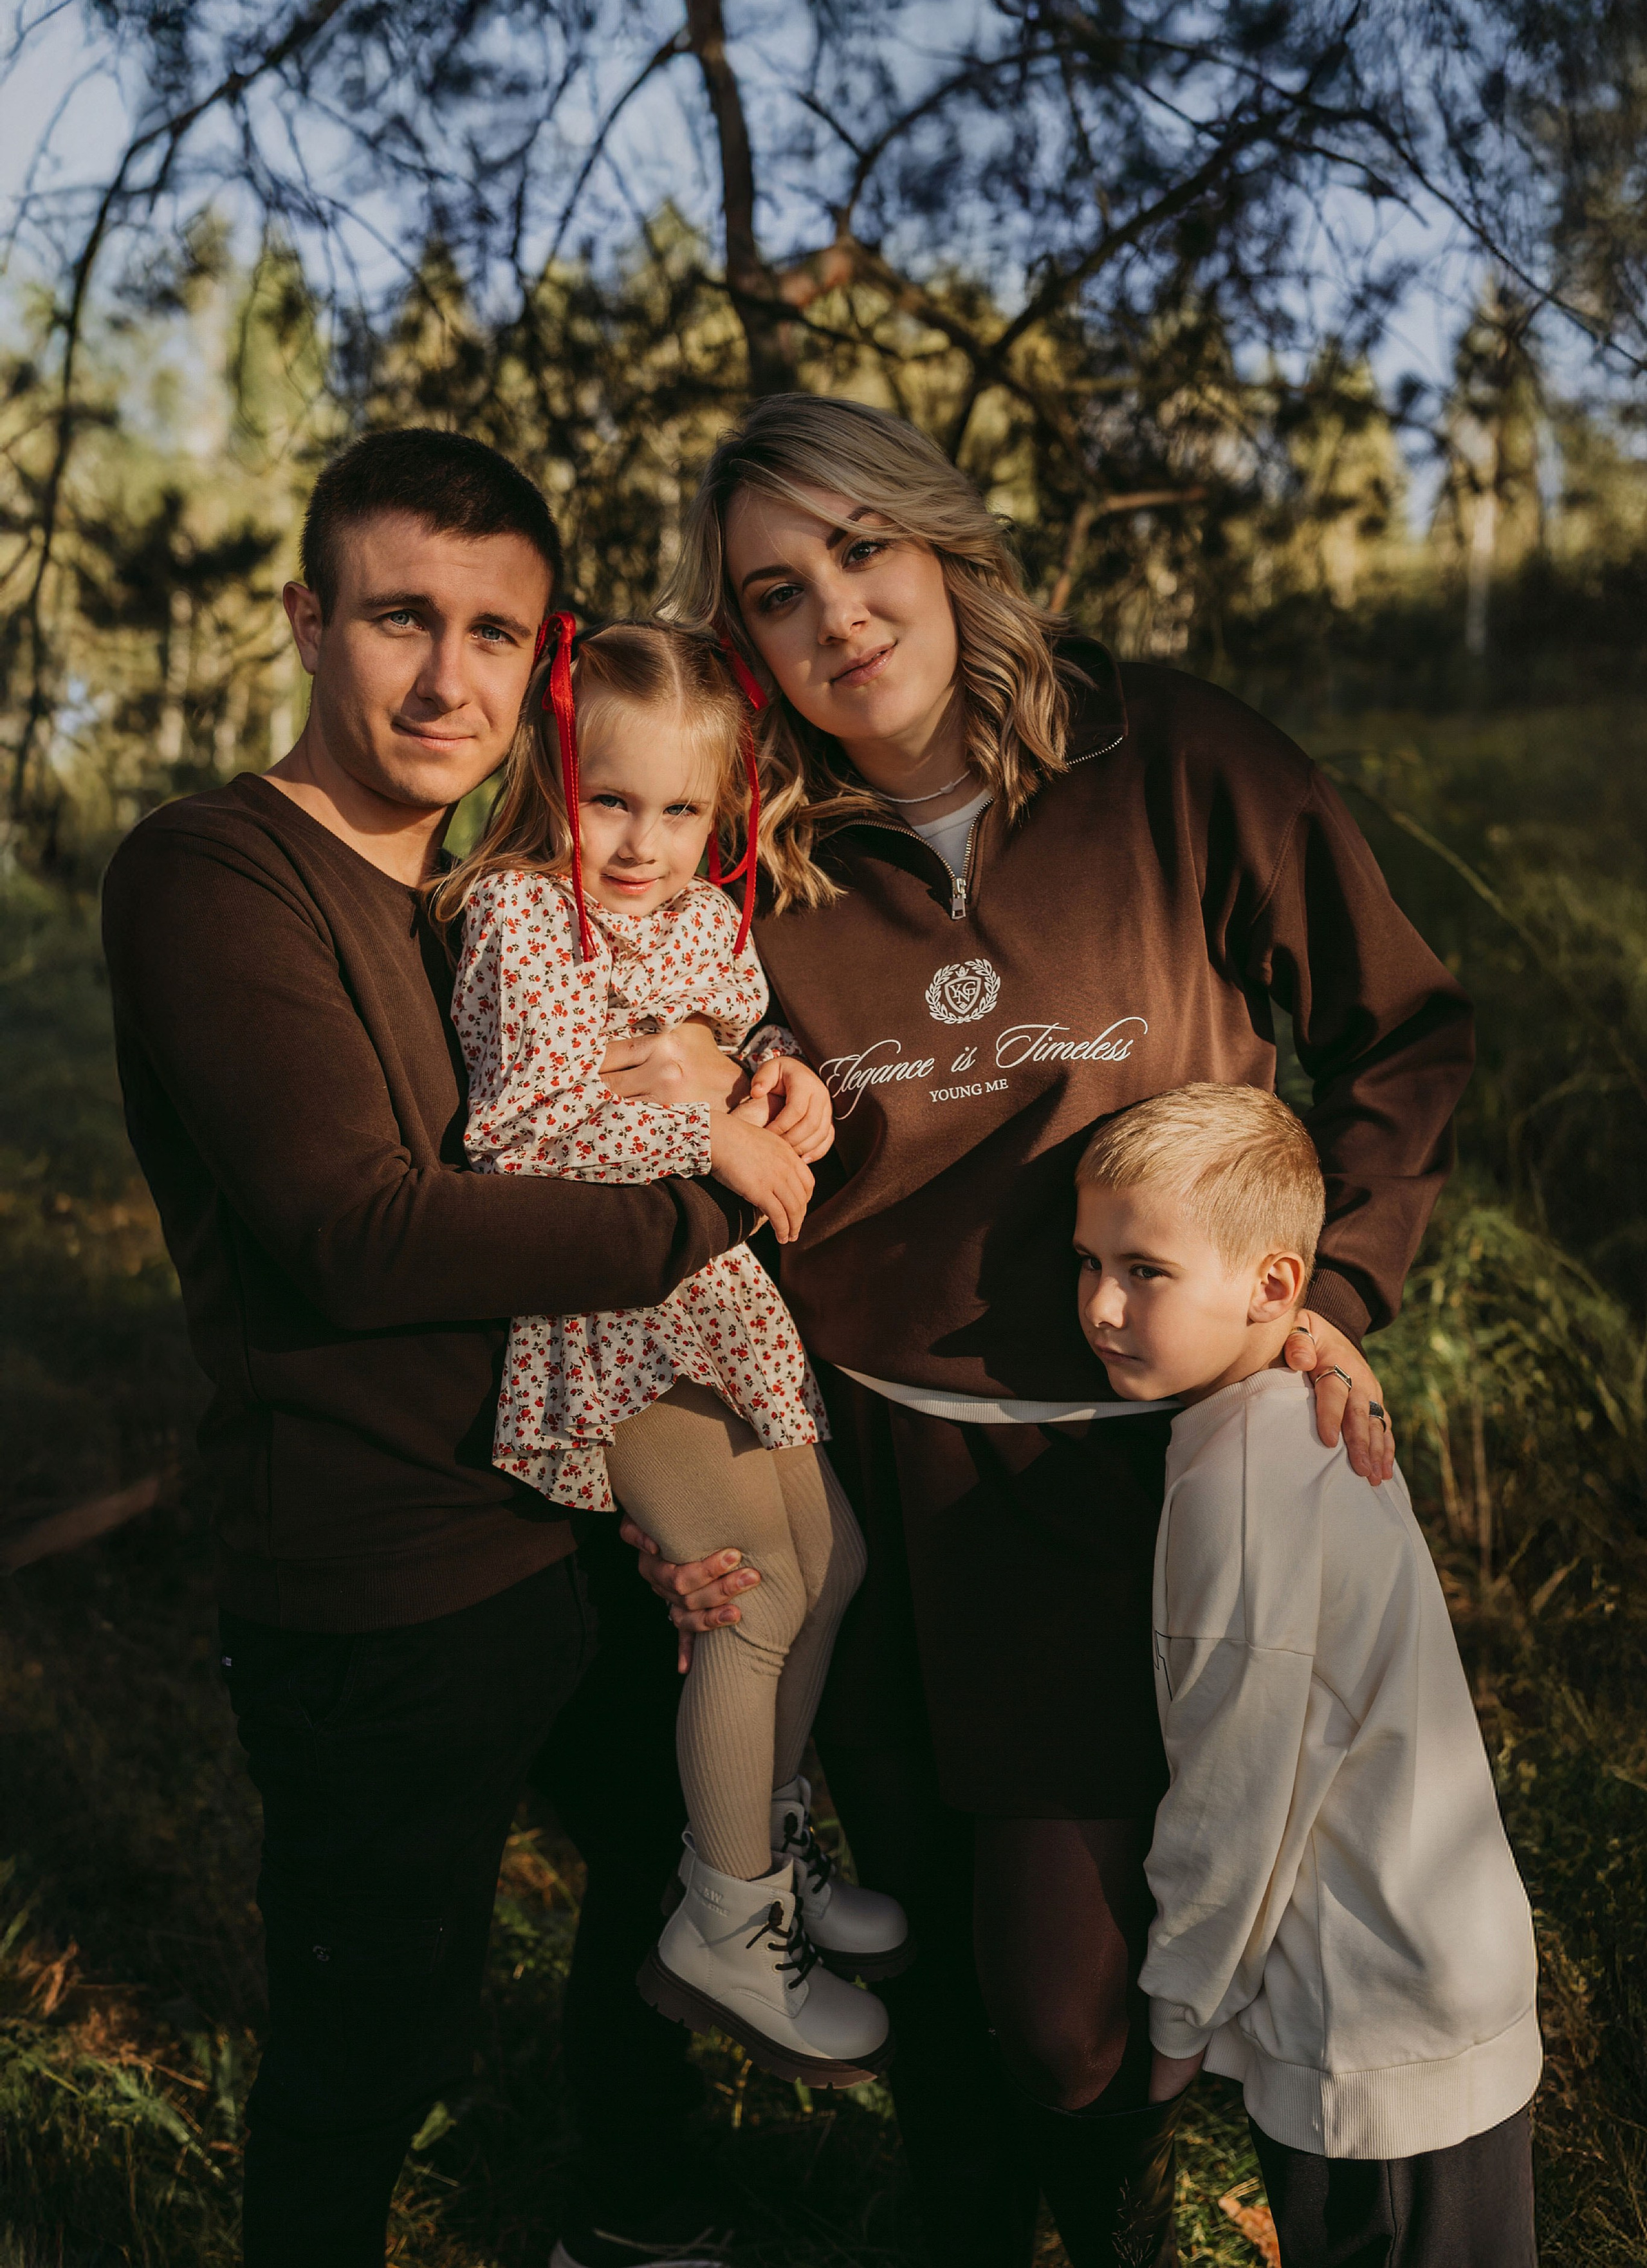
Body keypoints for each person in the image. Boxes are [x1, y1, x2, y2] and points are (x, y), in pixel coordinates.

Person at [616, 393, 1475, 2267]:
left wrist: (1331, 1292)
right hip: (862, 1461)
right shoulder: (752, 845)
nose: (837, 613)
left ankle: (1117, 2219)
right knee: (917, 1927)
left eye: (861, 549)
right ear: (741, 640)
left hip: (1133, 1471)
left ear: (944, 543)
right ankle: (965, 2225)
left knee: (1073, 2008)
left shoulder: (1169, 756)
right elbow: (640, 1077)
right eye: (773, 593)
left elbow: (1402, 1032)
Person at [99, 429, 813, 2268]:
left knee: (672, 1854)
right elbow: (360, 1230)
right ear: (305, 619)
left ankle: (633, 2205)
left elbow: (649, 1055)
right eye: (398, 617)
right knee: (377, 2035)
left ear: (544, 660)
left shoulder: (514, 890)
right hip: (383, 1560)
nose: (445, 678)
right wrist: (712, 1191)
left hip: (570, 1503)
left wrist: (750, 1080)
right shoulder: (215, 876)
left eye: (493, 632)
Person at [434, 617, 908, 2083]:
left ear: (724, 809)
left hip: (711, 1294)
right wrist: (705, 1132)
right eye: (610, 799)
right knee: (754, 1598)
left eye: (681, 808)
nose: (642, 842)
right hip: (607, 1313)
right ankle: (724, 1914)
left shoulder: (707, 917)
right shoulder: (519, 916)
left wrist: (778, 1079)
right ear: (550, 777)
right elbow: (514, 1135)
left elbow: (744, 1035)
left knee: (835, 1563)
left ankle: (761, 1832)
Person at [1072, 1083, 1540, 2268]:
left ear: (1276, 1284)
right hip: (1439, 1969)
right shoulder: (1289, 1420)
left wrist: (1176, 2020)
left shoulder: (1247, 1484)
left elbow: (1231, 1798)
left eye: (1145, 1270)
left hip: (1369, 2027)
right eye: (1089, 1263)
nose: (1101, 1305)